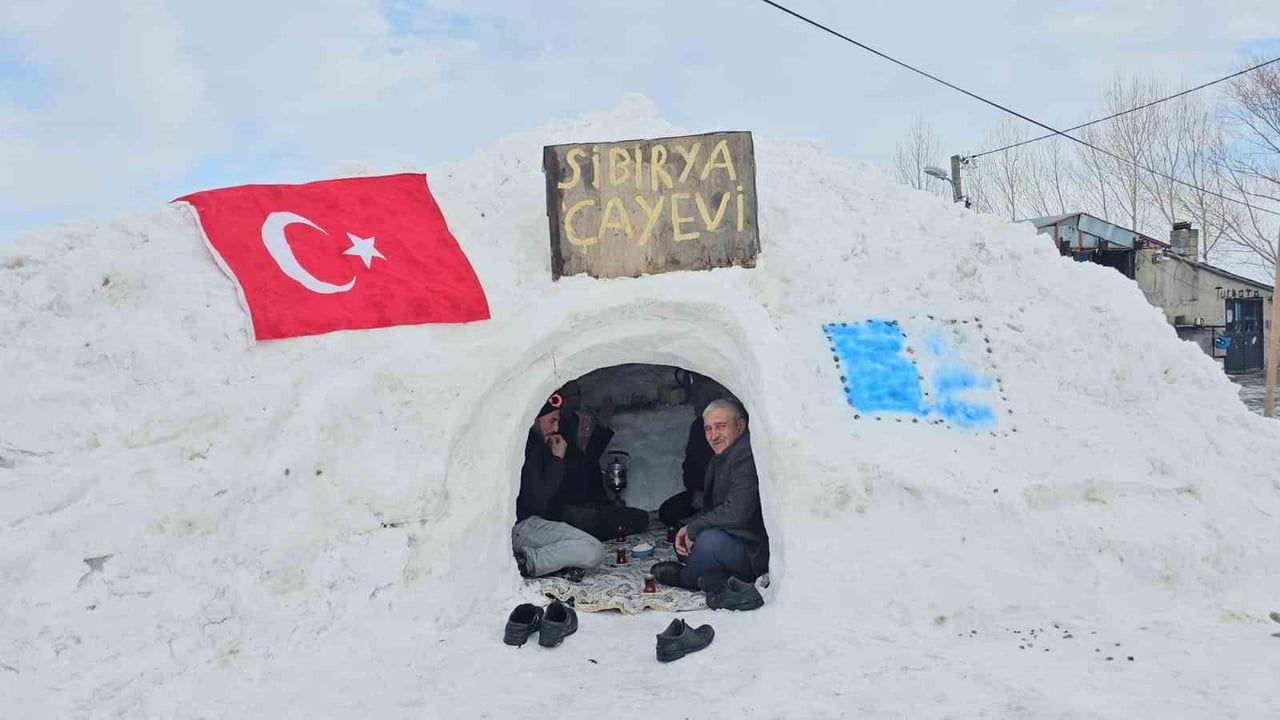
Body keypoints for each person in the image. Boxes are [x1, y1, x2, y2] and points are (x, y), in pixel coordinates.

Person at [651, 398, 769, 592]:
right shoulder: (723, 455)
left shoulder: (747, 454)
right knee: (683, 542)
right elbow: (712, 508)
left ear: (740, 426)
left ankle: (688, 578)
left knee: (707, 541)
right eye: (708, 429)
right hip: (733, 537)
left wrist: (695, 528)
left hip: (754, 550)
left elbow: (737, 512)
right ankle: (715, 575)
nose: (713, 436)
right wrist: (689, 530)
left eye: (721, 426)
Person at [512, 393, 605, 578]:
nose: (555, 427)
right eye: (551, 420)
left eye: (558, 421)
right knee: (594, 550)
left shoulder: (542, 444)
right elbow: (538, 501)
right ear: (534, 419)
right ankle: (527, 562)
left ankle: (551, 561)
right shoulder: (526, 450)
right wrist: (557, 459)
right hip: (522, 526)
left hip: (543, 520)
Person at [554, 381, 649, 539]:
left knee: (640, 518)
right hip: (569, 506)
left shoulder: (574, 421)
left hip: (590, 502)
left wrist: (602, 426)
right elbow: (574, 466)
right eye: (574, 395)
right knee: (584, 520)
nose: (578, 399)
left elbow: (588, 459)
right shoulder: (556, 428)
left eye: (578, 394)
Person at [658, 374, 723, 528]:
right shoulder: (698, 427)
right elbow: (690, 466)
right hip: (701, 493)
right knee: (668, 511)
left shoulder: (726, 428)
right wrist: (696, 491)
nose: (694, 402)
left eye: (697, 397)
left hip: (725, 494)